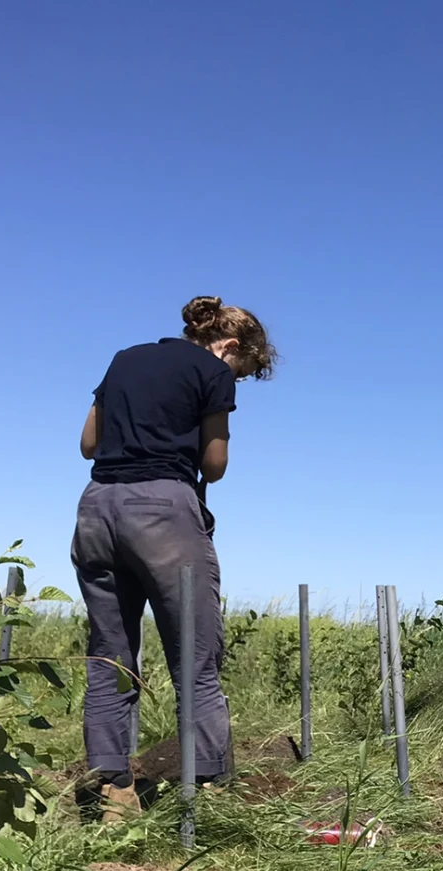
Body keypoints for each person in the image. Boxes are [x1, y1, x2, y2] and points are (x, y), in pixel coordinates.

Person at [73, 296, 277, 818]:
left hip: (97, 509)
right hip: (163, 509)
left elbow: (88, 442)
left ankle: (111, 789)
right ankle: (206, 790)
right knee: (195, 658)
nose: (237, 377)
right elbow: (214, 464)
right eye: (243, 369)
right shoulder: (212, 369)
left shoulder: (125, 358)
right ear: (229, 346)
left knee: (110, 654)